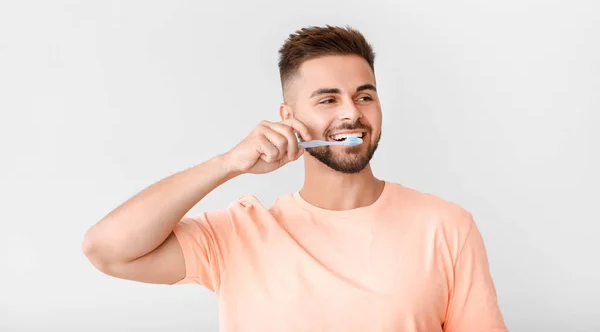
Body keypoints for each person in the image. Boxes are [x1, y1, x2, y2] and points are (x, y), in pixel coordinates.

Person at [83, 25, 507, 331]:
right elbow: (107, 250)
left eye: (365, 95)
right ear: (289, 118)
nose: (351, 113)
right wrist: (227, 163)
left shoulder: (446, 226)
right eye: (328, 98)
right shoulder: (239, 234)